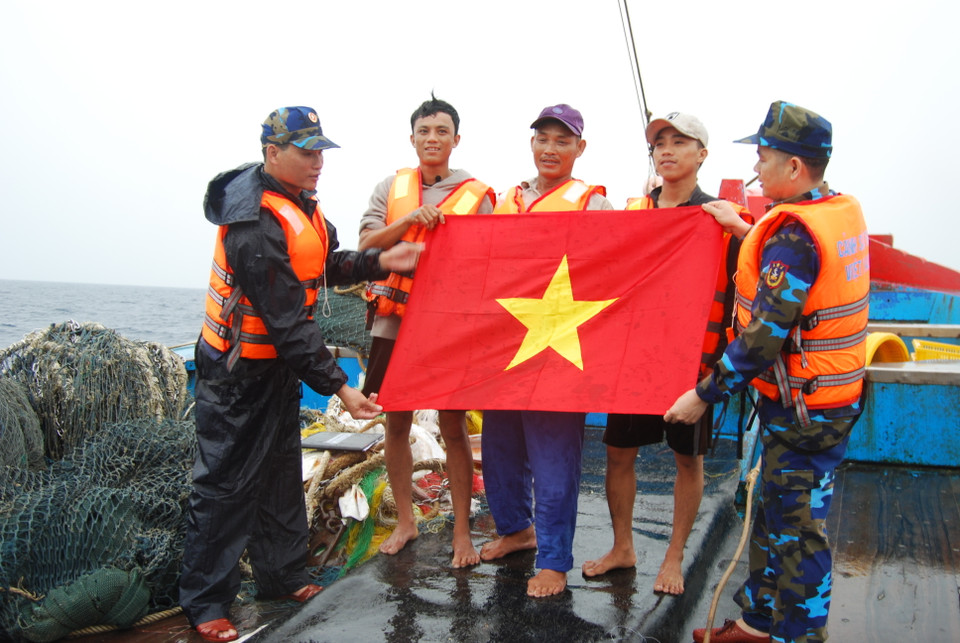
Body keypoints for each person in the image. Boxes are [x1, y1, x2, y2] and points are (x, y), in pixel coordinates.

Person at [180, 106, 421, 643]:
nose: (318, 163)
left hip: (274, 373)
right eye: (306, 151)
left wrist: (384, 262)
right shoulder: (253, 224)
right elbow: (286, 320)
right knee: (224, 485)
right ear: (272, 153)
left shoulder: (303, 206)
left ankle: (282, 575)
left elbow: (328, 265)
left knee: (280, 474)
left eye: (320, 152)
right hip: (235, 375)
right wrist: (341, 386)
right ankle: (205, 602)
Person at [665, 101, 869, 643]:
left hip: (805, 410)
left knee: (797, 531)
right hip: (820, 400)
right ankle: (758, 625)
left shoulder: (794, 237)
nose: (757, 166)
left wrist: (704, 395)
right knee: (774, 513)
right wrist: (744, 225)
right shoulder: (833, 209)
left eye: (764, 156)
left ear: (794, 168)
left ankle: (796, 635)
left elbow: (763, 338)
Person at [583, 113, 750, 595]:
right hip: (634, 357)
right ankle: (622, 547)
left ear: (702, 154)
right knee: (617, 453)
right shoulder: (635, 212)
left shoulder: (718, 216)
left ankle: (673, 557)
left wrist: (737, 227)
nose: (668, 150)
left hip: (691, 363)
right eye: (660, 143)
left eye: (681, 142)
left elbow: (762, 262)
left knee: (687, 462)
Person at [479, 103, 613, 597]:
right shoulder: (506, 199)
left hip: (561, 345)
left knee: (555, 457)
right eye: (542, 139)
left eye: (562, 140)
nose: (550, 149)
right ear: (531, 144)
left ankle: (554, 559)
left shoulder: (593, 205)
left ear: (580, 148)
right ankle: (516, 529)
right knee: (501, 449)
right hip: (508, 343)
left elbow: (612, 267)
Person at [358, 94, 495, 568]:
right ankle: (406, 522)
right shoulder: (389, 187)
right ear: (412, 137)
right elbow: (365, 244)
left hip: (449, 325)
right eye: (423, 131)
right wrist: (409, 220)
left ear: (456, 139)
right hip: (392, 320)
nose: (432, 139)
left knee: (454, 424)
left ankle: (462, 533)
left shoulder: (480, 195)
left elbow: (491, 263)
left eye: (441, 132)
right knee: (394, 421)